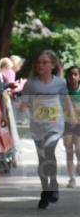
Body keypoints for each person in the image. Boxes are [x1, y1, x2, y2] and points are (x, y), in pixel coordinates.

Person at [19, 50, 76, 208]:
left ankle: (54, 184)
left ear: (52, 65)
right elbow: (24, 103)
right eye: (38, 63)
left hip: (55, 124)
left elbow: (66, 100)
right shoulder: (30, 84)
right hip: (38, 126)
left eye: (44, 62)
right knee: (42, 159)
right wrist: (23, 107)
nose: (40, 65)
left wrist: (72, 116)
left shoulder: (60, 83)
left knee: (49, 150)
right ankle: (45, 190)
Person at [64, 65, 80, 188]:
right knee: (69, 150)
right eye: (70, 75)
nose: (73, 77)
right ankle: (72, 178)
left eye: (75, 74)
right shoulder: (63, 90)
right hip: (66, 123)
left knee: (78, 150)